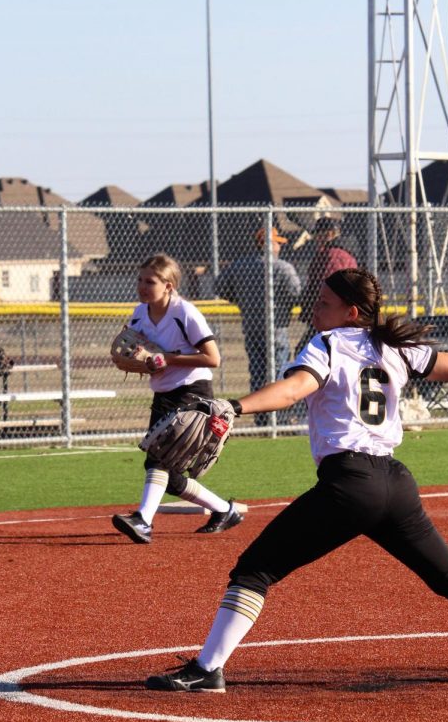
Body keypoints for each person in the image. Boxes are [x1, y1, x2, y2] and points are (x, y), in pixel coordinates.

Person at [145, 267, 448, 692]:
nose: (315, 309)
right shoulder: (397, 348)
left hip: (349, 484)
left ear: (350, 312)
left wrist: (235, 406)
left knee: (254, 570)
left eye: (324, 303)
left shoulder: (326, 345)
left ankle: (207, 669)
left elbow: (294, 389)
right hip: (395, 483)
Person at [111, 253, 243, 543]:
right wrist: (137, 361)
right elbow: (140, 355)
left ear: (168, 286)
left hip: (191, 391)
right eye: (140, 280)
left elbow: (213, 358)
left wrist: (164, 359)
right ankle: (224, 510)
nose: (143, 286)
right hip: (163, 395)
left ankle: (143, 521)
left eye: (151, 281)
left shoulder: (185, 312)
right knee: (167, 475)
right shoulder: (140, 312)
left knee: (158, 458)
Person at [215, 227, 301, 425]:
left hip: (252, 326)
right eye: (277, 242)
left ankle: (261, 418)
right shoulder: (283, 267)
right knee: (279, 372)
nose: (280, 247)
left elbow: (219, 287)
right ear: (268, 244)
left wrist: (243, 299)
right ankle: (277, 419)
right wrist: (284, 302)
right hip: (276, 329)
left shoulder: (240, 265)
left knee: (258, 372)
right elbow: (297, 294)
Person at [295, 217, 357, 354]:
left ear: (328, 234)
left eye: (317, 234)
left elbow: (329, 288)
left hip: (332, 316)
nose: (315, 239)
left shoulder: (334, 255)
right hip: (333, 314)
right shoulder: (333, 252)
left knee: (307, 351)